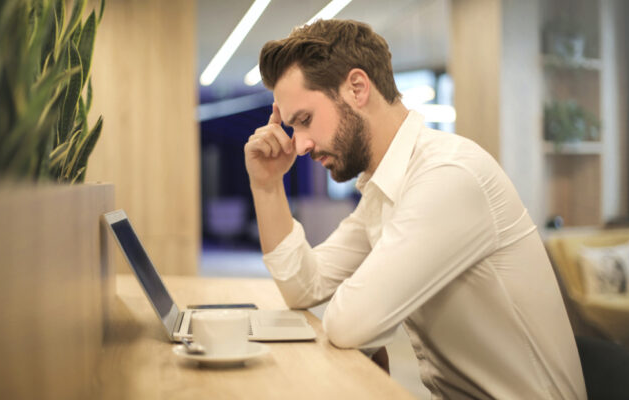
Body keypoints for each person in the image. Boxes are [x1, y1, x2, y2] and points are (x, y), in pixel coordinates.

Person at [244, 19, 586, 399]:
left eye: (305, 120)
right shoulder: (385, 190)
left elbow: (349, 324)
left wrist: (365, 325)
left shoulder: (448, 176)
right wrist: (267, 185)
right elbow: (303, 286)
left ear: (357, 88)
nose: (301, 144)